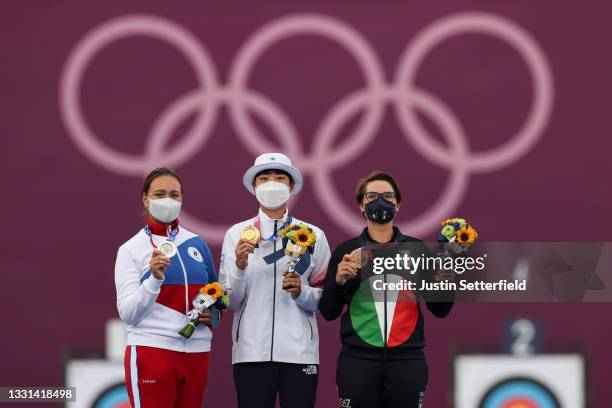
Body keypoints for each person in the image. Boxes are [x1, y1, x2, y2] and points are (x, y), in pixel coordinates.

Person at [319, 170, 455, 408]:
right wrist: (339, 282)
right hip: (358, 361)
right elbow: (328, 312)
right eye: (371, 196)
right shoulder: (346, 251)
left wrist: (445, 283)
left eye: (388, 196)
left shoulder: (417, 250)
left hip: (407, 362)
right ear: (361, 206)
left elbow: (439, 310)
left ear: (398, 204)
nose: (379, 201)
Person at [219, 153, 331, 408]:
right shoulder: (237, 234)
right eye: (265, 178)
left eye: (280, 178)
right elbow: (230, 300)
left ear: (290, 187)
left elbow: (326, 299)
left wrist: (301, 292)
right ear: (254, 187)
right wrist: (239, 266)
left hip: (300, 353)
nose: (272, 184)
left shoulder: (313, 236)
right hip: (251, 352)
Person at [114, 167, 219, 408]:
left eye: (174, 195)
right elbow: (128, 314)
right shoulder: (131, 249)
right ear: (145, 199)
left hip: (197, 352)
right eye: (160, 194)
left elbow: (217, 294)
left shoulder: (197, 243)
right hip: (153, 351)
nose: (168, 200)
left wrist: (212, 314)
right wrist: (154, 278)